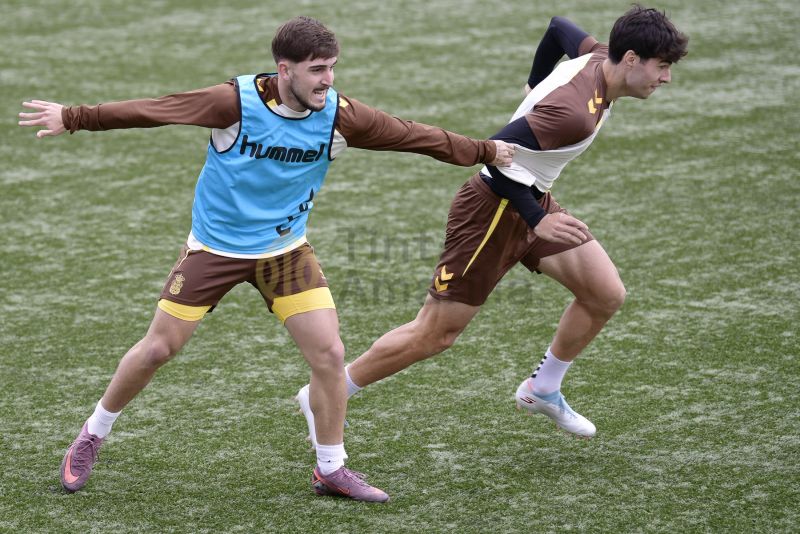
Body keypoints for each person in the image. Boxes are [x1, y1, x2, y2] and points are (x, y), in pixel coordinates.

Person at [18, 16, 514, 502]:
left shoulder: (340, 115)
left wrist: (484, 150)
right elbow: (157, 109)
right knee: (156, 351)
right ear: (285, 69)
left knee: (331, 355)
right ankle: (92, 434)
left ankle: (330, 468)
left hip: (284, 253)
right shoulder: (233, 102)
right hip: (214, 251)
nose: (328, 80)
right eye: (317, 69)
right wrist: (75, 116)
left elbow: (414, 136)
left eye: (332, 67)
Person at [298, 5, 688, 446]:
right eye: (662, 66)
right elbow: (497, 154)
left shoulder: (600, 55)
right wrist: (538, 220)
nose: (666, 78)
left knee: (604, 293)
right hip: (492, 209)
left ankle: (542, 388)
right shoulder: (572, 112)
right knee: (435, 333)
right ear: (632, 59)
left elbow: (558, 28)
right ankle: (325, 394)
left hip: (529, 196)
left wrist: (535, 82)